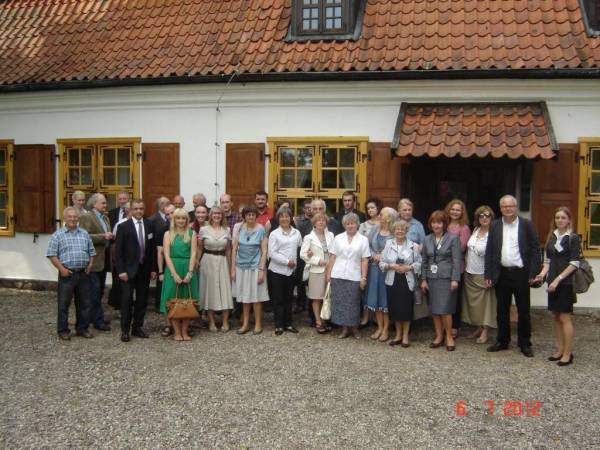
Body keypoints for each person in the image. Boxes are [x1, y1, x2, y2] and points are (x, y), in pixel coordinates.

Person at [485, 195, 541, 358]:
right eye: (504, 206)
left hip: (521, 274)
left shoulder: (527, 225)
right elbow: (490, 251)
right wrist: (488, 273)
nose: (507, 209)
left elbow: (536, 250)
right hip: (501, 273)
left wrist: (533, 272)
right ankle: (503, 340)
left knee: (523, 310)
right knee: (501, 309)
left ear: (515, 207)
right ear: (500, 208)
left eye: (510, 206)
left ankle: (524, 343)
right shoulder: (494, 226)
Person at [534, 206, 581, 366]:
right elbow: (549, 261)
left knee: (564, 317)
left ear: (569, 220)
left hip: (565, 283)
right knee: (555, 316)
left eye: (563, 217)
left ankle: (568, 353)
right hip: (552, 282)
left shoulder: (573, 238)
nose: (560, 220)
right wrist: (541, 275)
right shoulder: (552, 237)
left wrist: (557, 280)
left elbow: (574, 263)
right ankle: (560, 349)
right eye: (557, 217)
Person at [46, 207, 96, 340]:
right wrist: (62, 269)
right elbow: (51, 254)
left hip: (83, 274)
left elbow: (91, 252)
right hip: (67, 274)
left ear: (78, 218)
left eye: (75, 217)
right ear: (65, 219)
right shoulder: (58, 235)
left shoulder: (84, 234)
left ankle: (82, 328)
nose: (73, 219)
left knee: (84, 304)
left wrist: (90, 265)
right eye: (70, 217)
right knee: (63, 304)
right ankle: (63, 330)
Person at [115, 199, 157, 342]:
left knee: (142, 300)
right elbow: (118, 252)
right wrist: (121, 271)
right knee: (127, 300)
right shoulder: (123, 227)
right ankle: (125, 330)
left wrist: (153, 269)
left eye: (141, 208)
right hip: (128, 271)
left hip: (144, 270)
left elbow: (151, 250)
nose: (139, 211)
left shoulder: (149, 225)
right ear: (131, 210)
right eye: (136, 209)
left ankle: (137, 327)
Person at [421, 210, 461, 351]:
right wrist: (423, 279)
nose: (436, 225)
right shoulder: (426, 239)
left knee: (445, 309)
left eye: (439, 222)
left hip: (446, 278)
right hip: (431, 279)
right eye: (433, 222)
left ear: (444, 224)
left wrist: (455, 279)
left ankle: (449, 336)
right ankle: (438, 335)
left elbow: (457, 260)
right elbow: (424, 261)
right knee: (435, 309)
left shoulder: (453, 238)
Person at [326, 213, 371, 339]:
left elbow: (364, 260)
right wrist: (329, 273)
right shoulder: (338, 238)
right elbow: (333, 256)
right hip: (338, 274)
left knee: (353, 303)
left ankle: (355, 329)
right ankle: (344, 329)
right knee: (340, 303)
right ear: (344, 225)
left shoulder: (363, 240)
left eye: (352, 223)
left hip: (354, 275)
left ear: (357, 224)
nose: (350, 226)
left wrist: (363, 277)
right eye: (347, 223)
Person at [380, 219, 421, 347]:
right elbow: (381, 263)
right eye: (397, 229)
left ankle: (405, 336)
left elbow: (419, 263)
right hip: (392, 280)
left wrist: (408, 268)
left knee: (406, 309)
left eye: (402, 229)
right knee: (395, 309)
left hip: (407, 280)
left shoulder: (413, 245)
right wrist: (391, 266)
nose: (400, 231)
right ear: (394, 231)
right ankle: (397, 335)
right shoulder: (388, 244)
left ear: (406, 231)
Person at [159, 208, 198, 341]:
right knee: (173, 300)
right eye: (178, 218)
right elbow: (166, 255)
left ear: (187, 220)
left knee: (187, 299)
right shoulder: (167, 234)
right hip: (173, 268)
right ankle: (176, 332)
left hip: (187, 267)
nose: (181, 221)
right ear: (173, 219)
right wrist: (174, 274)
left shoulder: (192, 234)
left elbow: (193, 253)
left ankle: (185, 331)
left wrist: (190, 272)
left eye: (183, 218)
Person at [462, 206, 497, 344]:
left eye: (487, 216)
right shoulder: (475, 230)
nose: (484, 218)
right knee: (474, 305)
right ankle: (478, 327)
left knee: (486, 304)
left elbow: (495, 257)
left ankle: (485, 330)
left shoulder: (494, 234)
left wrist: (491, 275)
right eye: (481, 216)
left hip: (484, 274)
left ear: (491, 218)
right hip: (470, 272)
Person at [231, 205, 269, 334]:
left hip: (255, 267)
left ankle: (258, 323)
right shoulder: (239, 228)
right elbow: (234, 249)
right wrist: (233, 269)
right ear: (244, 216)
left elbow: (264, 251)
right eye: (248, 215)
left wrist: (261, 270)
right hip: (241, 267)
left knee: (256, 296)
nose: (251, 217)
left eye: (253, 214)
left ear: (256, 216)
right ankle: (246, 323)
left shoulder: (261, 229)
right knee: (244, 297)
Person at [78, 193, 112, 332]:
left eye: (105, 203)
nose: (105, 205)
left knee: (99, 292)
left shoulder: (105, 218)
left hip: (103, 260)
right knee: (94, 291)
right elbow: (83, 235)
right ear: (94, 204)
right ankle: (97, 321)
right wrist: (103, 236)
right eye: (103, 203)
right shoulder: (87, 217)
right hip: (93, 260)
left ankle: (94, 317)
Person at [268, 206, 302, 335]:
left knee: (289, 299)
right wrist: (287, 262)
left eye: (286, 216)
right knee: (278, 299)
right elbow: (272, 253)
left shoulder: (296, 233)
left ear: (290, 218)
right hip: (277, 271)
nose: (284, 219)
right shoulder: (274, 234)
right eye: (282, 216)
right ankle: (278, 325)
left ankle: (288, 323)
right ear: (278, 218)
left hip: (291, 272)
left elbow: (300, 247)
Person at [198, 206, 233, 332]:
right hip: (208, 261)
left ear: (222, 216)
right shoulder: (203, 230)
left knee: (224, 291)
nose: (217, 216)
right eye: (214, 214)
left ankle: (225, 321)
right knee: (209, 291)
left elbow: (229, 250)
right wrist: (196, 262)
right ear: (210, 215)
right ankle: (211, 322)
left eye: (219, 214)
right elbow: (199, 248)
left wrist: (230, 267)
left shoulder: (227, 230)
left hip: (222, 261)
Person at [365, 206, 396, 342]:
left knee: (385, 300)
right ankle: (379, 327)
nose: (379, 215)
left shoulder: (395, 231)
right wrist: (374, 255)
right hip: (374, 269)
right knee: (375, 299)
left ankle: (386, 329)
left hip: (388, 270)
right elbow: (368, 245)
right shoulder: (375, 229)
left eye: (382, 214)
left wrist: (383, 256)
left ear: (389, 217)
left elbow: (397, 248)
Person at [300, 212, 334, 333]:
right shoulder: (308, 237)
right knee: (316, 298)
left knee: (327, 297)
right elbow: (303, 254)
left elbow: (334, 252)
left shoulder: (330, 235)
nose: (321, 222)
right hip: (316, 271)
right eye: (318, 220)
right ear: (314, 223)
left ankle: (325, 320)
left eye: (323, 220)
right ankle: (318, 322)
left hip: (330, 270)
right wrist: (317, 260)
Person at [445, 199, 471, 337]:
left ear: (462, 212)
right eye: (453, 209)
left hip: (456, 267)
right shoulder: (444, 225)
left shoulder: (464, 228)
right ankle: (444, 323)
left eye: (458, 210)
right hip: (442, 268)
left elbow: (460, 248)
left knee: (455, 298)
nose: (455, 212)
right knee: (443, 296)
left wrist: (442, 251)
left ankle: (455, 326)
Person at [358, 196, 382, 327]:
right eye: (368, 208)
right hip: (366, 261)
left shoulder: (384, 224)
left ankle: (378, 317)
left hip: (381, 262)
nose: (370, 210)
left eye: (373, 207)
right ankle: (366, 316)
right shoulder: (363, 226)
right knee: (366, 289)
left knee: (378, 290)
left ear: (378, 208)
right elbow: (361, 243)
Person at [155, 203, 175, 312]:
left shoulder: (186, 227)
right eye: (167, 214)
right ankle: (169, 323)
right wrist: (160, 272)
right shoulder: (163, 229)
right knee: (169, 293)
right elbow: (160, 252)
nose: (170, 216)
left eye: (172, 212)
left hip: (182, 264)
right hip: (167, 265)